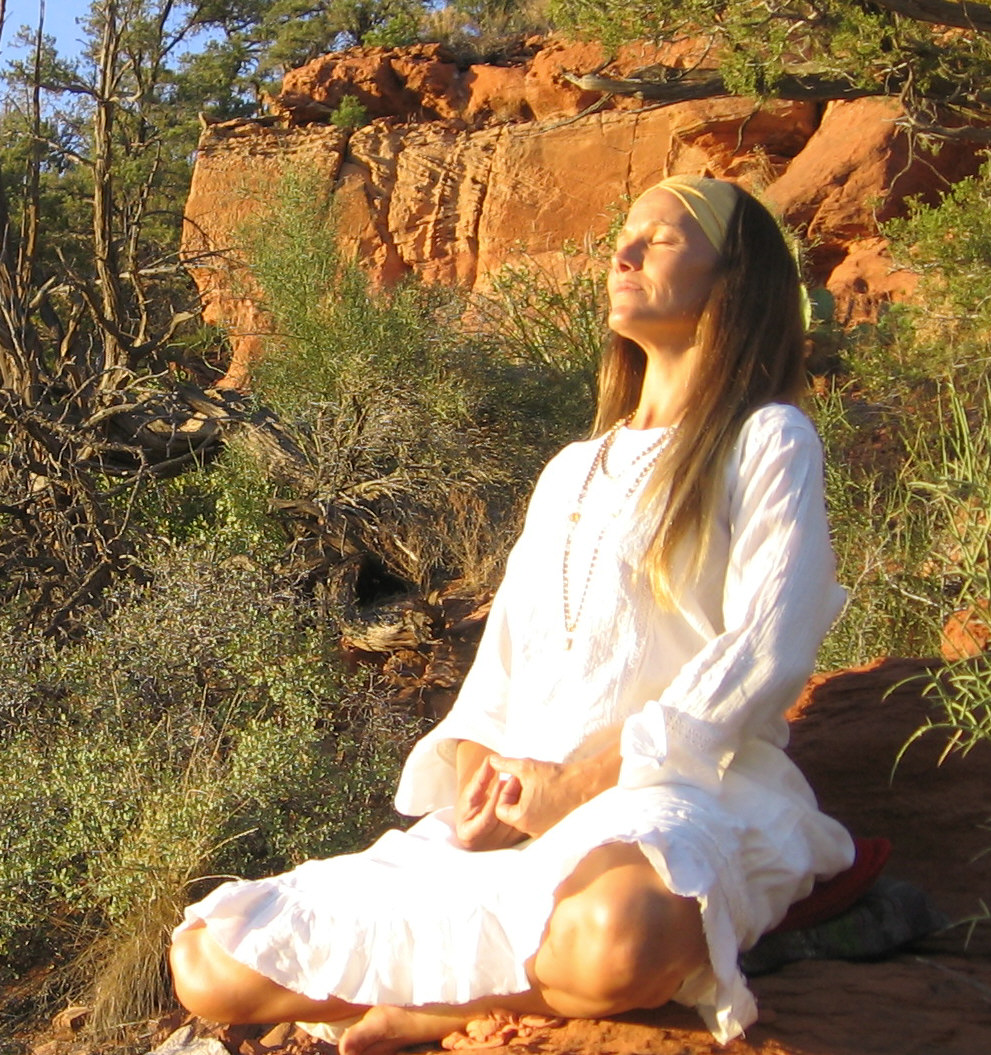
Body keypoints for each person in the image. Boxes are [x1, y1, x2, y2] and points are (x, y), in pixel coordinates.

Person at [169, 175, 854, 1054]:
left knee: (618, 933)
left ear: (733, 277)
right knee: (210, 958)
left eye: (664, 237)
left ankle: (431, 1008)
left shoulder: (767, 439)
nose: (624, 251)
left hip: (677, 796)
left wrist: (595, 774)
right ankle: (502, 977)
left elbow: (768, 645)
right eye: (625, 231)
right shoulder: (571, 468)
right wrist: (479, 780)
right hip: (527, 818)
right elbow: (499, 673)